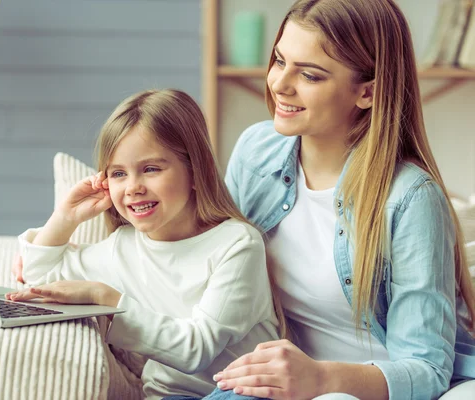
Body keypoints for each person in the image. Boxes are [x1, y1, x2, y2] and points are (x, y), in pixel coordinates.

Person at [199, 0, 475, 399]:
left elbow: (426, 368)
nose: (280, 83)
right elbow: (209, 263)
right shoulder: (256, 151)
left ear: (367, 92)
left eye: (310, 75)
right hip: (289, 384)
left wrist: (321, 379)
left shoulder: (411, 198)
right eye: (279, 61)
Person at [6, 89, 286, 400]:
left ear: (195, 171)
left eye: (151, 169)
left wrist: (108, 299)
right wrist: (65, 217)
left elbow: (198, 348)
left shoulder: (237, 244)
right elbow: (39, 280)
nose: (133, 187)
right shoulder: (123, 248)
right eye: (118, 174)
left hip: (242, 393)